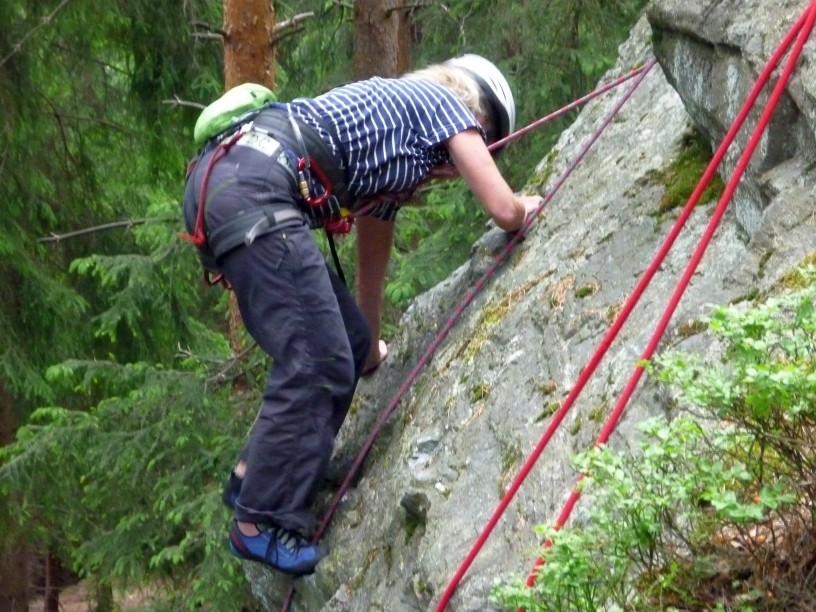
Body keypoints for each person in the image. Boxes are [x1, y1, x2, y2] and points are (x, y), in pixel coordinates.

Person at [181, 54, 543, 577]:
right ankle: (257, 521)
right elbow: (503, 209)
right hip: (255, 190)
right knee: (314, 359)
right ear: (481, 119)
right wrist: (523, 207)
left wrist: (369, 348)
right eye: (485, 145)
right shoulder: (449, 107)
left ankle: (248, 478)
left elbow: (371, 270)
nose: (453, 172)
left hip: (233, 183)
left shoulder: (394, 140)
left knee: (342, 346)